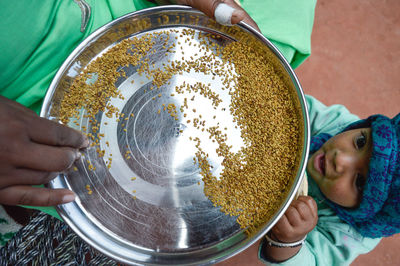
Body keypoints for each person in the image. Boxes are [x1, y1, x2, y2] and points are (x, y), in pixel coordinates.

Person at [258, 95, 400, 265]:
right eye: (361, 142)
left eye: (360, 181)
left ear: (366, 209)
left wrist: (290, 241)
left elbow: (314, 262)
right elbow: (293, 105)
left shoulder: (348, 235)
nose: (340, 159)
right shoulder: (337, 124)